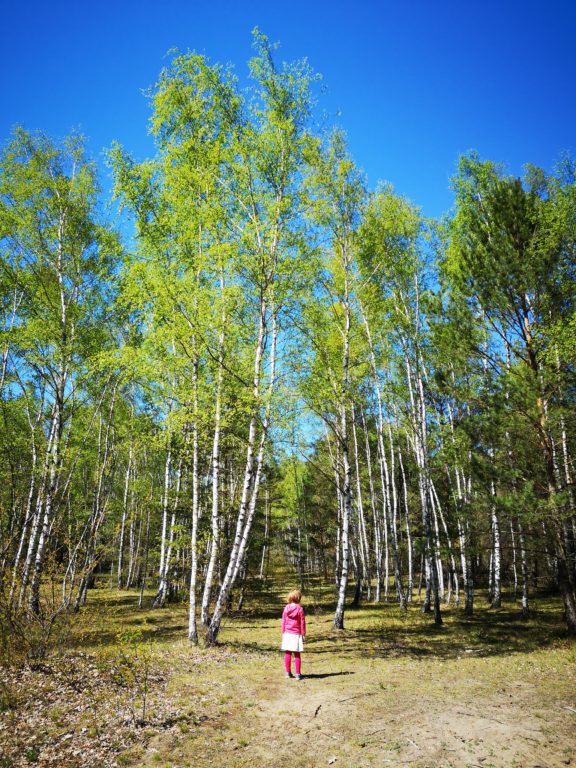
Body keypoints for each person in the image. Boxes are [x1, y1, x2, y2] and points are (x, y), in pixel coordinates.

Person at [281, 589, 306, 680]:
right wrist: (303, 634)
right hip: (296, 634)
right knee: (297, 654)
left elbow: (283, 621)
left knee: (287, 653)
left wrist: (283, 632)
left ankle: (288, 673)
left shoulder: (286, 608)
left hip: (287, 633)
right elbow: (302, 623)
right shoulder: (300, 609)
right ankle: (298, 674)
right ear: (298, 598)